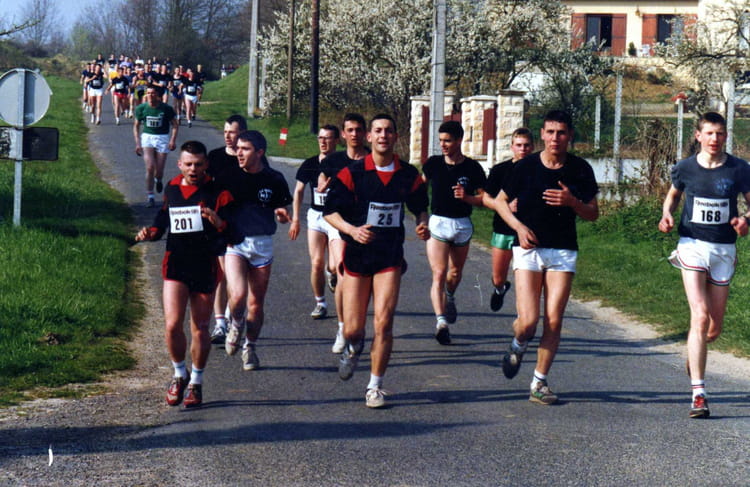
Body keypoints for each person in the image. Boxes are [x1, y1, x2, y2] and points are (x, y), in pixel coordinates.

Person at [323, 114, 430, 408]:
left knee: (384, 322)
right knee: (353, 329)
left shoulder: (408, 174)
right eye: (378, 131)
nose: (383, 135)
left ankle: (375, 386)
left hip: (389, 256)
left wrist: (422, 223)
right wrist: (352, 230)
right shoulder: (353, 173)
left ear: (396, 137)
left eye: (389, 131)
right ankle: (353, 347)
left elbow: (421, 207)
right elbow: (330, 212)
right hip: (357, 256)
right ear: (369, 137)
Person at [495, 110, 599, 406]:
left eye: (561, 132)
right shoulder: (525, 166)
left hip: (563, 250)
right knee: (528, 322)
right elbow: (499, 202)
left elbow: (593, 213)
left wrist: (572, 202)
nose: (555, 138)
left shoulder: (580, 169)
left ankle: (539, 382)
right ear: (542, 134)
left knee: (553, 320)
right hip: (529, 249)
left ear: (570, 136)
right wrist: (518, 227)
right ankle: (518, 343)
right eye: (550, 132)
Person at [658, 111, 750, 419]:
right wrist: (667, 214)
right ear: (698, 136)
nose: (714, 139)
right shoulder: (685, 168)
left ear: (726, 136)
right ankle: (699, 394)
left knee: (713, 327)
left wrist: (745, 221)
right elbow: (673, 196)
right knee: (698, 316)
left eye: (720, 133)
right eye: (709, 133)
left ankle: (695, 352)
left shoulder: (739, 168)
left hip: (723, 250)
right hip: (692, 245)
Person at [135, 140, 233, 408]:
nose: (193, 169)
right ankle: (180, 374)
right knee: (172, 325)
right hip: (176, 263)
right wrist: (150, 233)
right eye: (188, 164)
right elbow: (162, 221)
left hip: (204, 264)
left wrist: (219, 222)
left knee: (200, 328)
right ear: (179, 164)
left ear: (206, 164)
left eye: (198, 164)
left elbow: (233, 231)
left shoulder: (218, 192)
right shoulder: (173, 188)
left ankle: (196, 382)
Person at [221, 131, 292, 371]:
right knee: (238, 296)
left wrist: (281, 215)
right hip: (236, 243)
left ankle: (250, 347)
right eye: (238, 148)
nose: (239, 153)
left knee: (255, 304)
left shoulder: (274, 178)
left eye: (245, 149)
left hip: (262, 244)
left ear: (259, 152)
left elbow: (281, 208)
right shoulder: (229, 177)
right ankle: (235, 323)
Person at [422, 121, 486, 345]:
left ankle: (449, 296)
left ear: (459, 140)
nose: (443, 145)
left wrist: (467, 197)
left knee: (455, 273)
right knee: (439, 273)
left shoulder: (472, 168)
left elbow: (484, 199)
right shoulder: (433, 163)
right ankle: (441, 323)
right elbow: (419, 188)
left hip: (462, 224)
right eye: (441, 141)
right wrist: (421, 215)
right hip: (438, 222)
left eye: (448, 141)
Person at [318, 113, 370, 353]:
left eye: (358, 130)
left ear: (365, 133)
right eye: (350, 130)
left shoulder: (373, 158)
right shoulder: (334, 160)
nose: (354, 134)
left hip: (367, 224)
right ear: (343, 134)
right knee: (341, 271)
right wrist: (323, 184)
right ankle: (342, 327)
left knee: (363, 281)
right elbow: (322, 178)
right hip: (339, 221)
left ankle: (357, 325)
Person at [289, 124, 341, 320]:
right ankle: (320, 303)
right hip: (317, 216)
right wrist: (296, 219)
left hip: (336, 217)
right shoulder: (310, 163)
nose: (323, 141)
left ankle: (331, 272)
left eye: (328, 138)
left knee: (335, 265)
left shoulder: (342, 163)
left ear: (336, 140)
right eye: (320, 138)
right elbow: (299, 191)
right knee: (316, 262)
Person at [483, 128, 534, 312]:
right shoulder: (500, 170)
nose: (523, 149)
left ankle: (525, 316)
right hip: (503, 229)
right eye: (519, 145)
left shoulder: (538, 169)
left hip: (528, 231)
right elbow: (486, 198)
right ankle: (500, 288)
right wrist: (503, 206)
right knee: (498, 278)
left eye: (526, 145)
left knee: (525, 280)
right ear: (512, 147)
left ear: (532, 147)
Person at [207, 114, 247, 344]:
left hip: (243, 226)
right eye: (225, 132)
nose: (227, 136)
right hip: (218, 223)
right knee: (221, 274)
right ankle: (220, 323)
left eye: (232, 132)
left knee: (236, 277)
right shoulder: (214, 157)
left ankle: (233, 317)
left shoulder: (250, 157)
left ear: (242, 133)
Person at [133, 85, 179, 208]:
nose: (150, 95)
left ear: (158, 95)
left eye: (153, 93)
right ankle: (150, 196)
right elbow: (136, 126)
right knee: (149, 167)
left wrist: (172, 140)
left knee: (159, 171)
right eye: (148, 93)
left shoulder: (166, 109)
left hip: (162, 138)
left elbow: (175, 125)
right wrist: (137, 142)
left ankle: (158, 179)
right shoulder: (141, 108)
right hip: (147, 137)